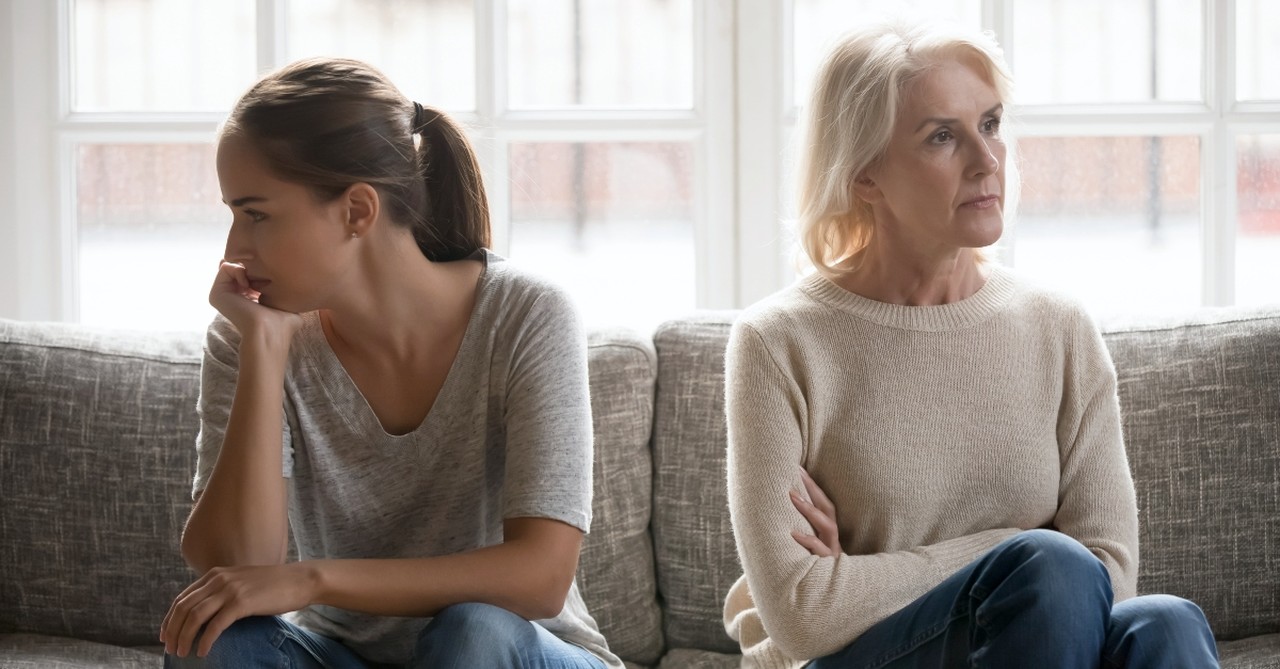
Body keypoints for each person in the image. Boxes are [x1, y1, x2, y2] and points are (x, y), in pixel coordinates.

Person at [722, 20, 1219, 669]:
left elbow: (1110, 577)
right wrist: (1015, 547)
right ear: (866, 172)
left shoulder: (1058, 328)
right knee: (1050, 563)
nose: (987, 161)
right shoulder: (778, 342)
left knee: (1166, 623)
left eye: (989, 123)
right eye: (942, 136)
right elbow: (803, 611)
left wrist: (879, 573)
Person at [158, 57, 621, 669]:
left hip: (513, 654)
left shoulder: (525, 315)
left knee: (472, 631)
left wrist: (313, 580)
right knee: (214, 639)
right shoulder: (249, 335)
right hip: (342, 654)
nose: (233, 251)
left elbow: (539, 578)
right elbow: (238, 569)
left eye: (256, 213)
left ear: (356, 210)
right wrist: (263, 354)